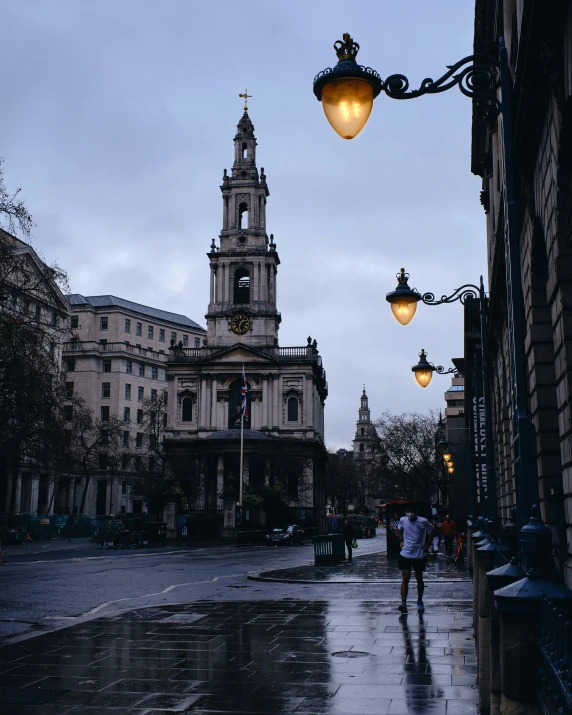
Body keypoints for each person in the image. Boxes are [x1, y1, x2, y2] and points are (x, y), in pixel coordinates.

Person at [397, 506, 433, 613]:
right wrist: (401, 540)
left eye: (411, 512)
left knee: (419, 578)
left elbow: (431, 531)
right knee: (405, 577)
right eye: (408, 512)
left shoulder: (423, 521)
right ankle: (403, 602)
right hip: (405, 554)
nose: (409, 514)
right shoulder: (403, 520)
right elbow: (399, 530)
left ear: (416, 512)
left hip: (419, 554)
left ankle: (420, 600)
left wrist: (427, 544)